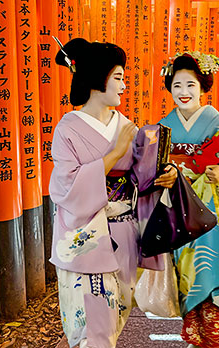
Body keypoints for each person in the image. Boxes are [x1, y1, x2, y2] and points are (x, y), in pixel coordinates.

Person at [50, 38, 177, 348]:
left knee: (114, 323)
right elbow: (66, 186)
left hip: (125, 235)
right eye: (118, 77)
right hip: (87, 238)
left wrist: (167, 174)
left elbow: (142, 178)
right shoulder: (68, 129)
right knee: (95, 333)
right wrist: (114, 154)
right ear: (97, 79)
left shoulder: (127, 126)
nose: (124, 85)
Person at [158, 52, 219, 348]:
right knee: (186, 278)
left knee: (214, 275)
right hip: (177, 209)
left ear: (203, 87)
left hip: (214, 213)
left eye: (190, 84)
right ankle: (197, 338)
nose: (184, 92)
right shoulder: (163, 126)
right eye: (177, 85)